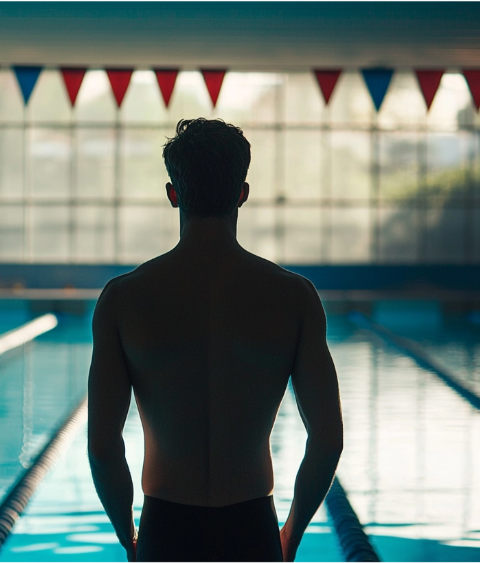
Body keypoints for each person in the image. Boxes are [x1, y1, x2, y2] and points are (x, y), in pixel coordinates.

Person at [88, 118, 343, 563]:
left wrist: (129, 536)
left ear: (173, 195)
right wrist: (291, 534)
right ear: (242, 193)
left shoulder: (124, 298)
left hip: (165, 529)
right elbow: (327, 440)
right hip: (252, 529)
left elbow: (103, 446)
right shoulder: (293, 297)